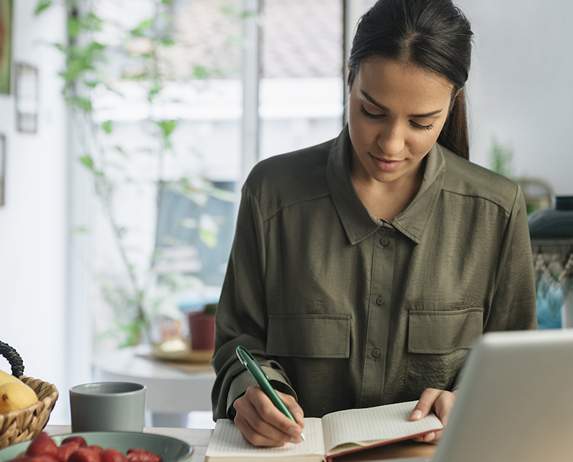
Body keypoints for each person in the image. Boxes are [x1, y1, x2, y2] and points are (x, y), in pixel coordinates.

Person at [211, 0, 536, 448]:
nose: (391, 143)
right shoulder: (272, 195)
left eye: (422, 122)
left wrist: (470, 400)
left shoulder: (495, 210)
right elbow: (239, 343)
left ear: (451, 106)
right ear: (349, 82)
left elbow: (516, 371)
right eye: (372, 111)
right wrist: (252, 393)